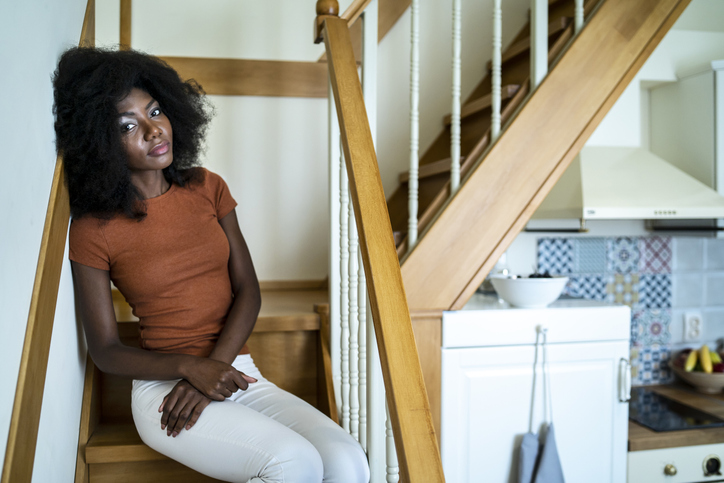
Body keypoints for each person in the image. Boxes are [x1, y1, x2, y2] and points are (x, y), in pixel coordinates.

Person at [53, 46, 369, 483]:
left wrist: (214, 370)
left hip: (235, 371)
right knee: (295, 464)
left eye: (155, 111)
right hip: (164, 392)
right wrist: (189, 369)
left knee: (348, 463)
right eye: (128, 126)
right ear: (100, 142)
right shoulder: (95, 228)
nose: (152, 130)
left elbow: (249, 290)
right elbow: (105, 351)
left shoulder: (207, 186)